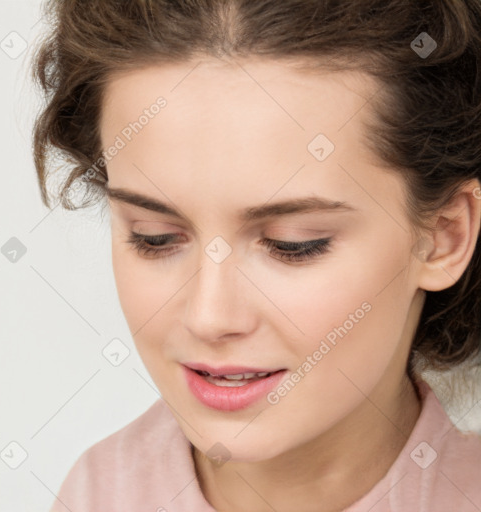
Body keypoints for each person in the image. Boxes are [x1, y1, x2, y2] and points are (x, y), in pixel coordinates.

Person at [31, 1, 481, 511]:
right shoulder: (100, 494)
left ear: (444, 236)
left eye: (293, 244)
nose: (209, 316)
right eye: (153, 236)